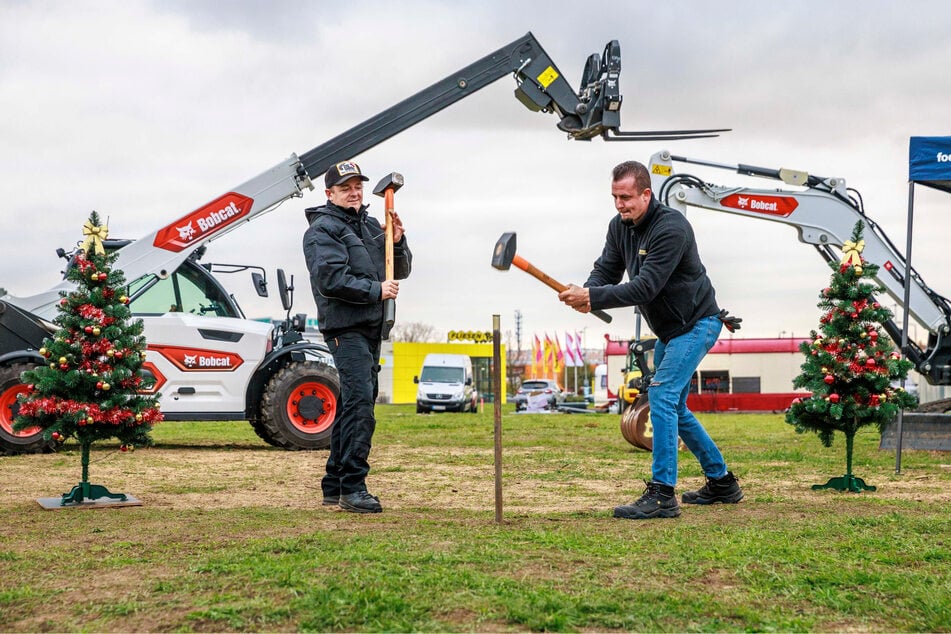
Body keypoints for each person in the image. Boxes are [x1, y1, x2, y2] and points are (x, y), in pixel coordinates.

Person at [558, 160, 743, 520]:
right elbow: (606, 270)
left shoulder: (671, 228)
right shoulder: (620, 226)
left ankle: (662, 494)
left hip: (698, 323)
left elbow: (646, 286)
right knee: (675, 406)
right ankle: (722, 482)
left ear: (646, 193)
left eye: (626, 197)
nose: (619, 205)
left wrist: (593, 298)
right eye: (614, 197)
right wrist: (587, 291)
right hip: (671, 331)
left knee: (661, 393)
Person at [303, 160, 412, 514]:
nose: (354, 192)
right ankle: (353, 486)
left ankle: (334, 484)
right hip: (344, 328)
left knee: (354, 402)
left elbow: (402, 270)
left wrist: (397, 241)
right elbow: (330, 281)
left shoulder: (368, 226)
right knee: (362, 404)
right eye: (345, 187)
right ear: (329, 194)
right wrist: (375, 291)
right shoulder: (323, 231)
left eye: (358, 186)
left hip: (370, 328)